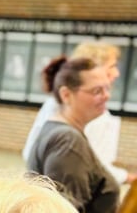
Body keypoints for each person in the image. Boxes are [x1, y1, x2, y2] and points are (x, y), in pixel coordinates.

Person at [25, 55, 121, 213]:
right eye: (96, 91)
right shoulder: (67, 141)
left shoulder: (61, 132)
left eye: (107, 89)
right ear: (66, 95)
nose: (106, 96)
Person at [22, 42, 136, 186]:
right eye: (112, 67)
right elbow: (95, 169)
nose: (116, 73)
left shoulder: (55, 107)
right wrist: (128, 177)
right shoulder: (74, 130)